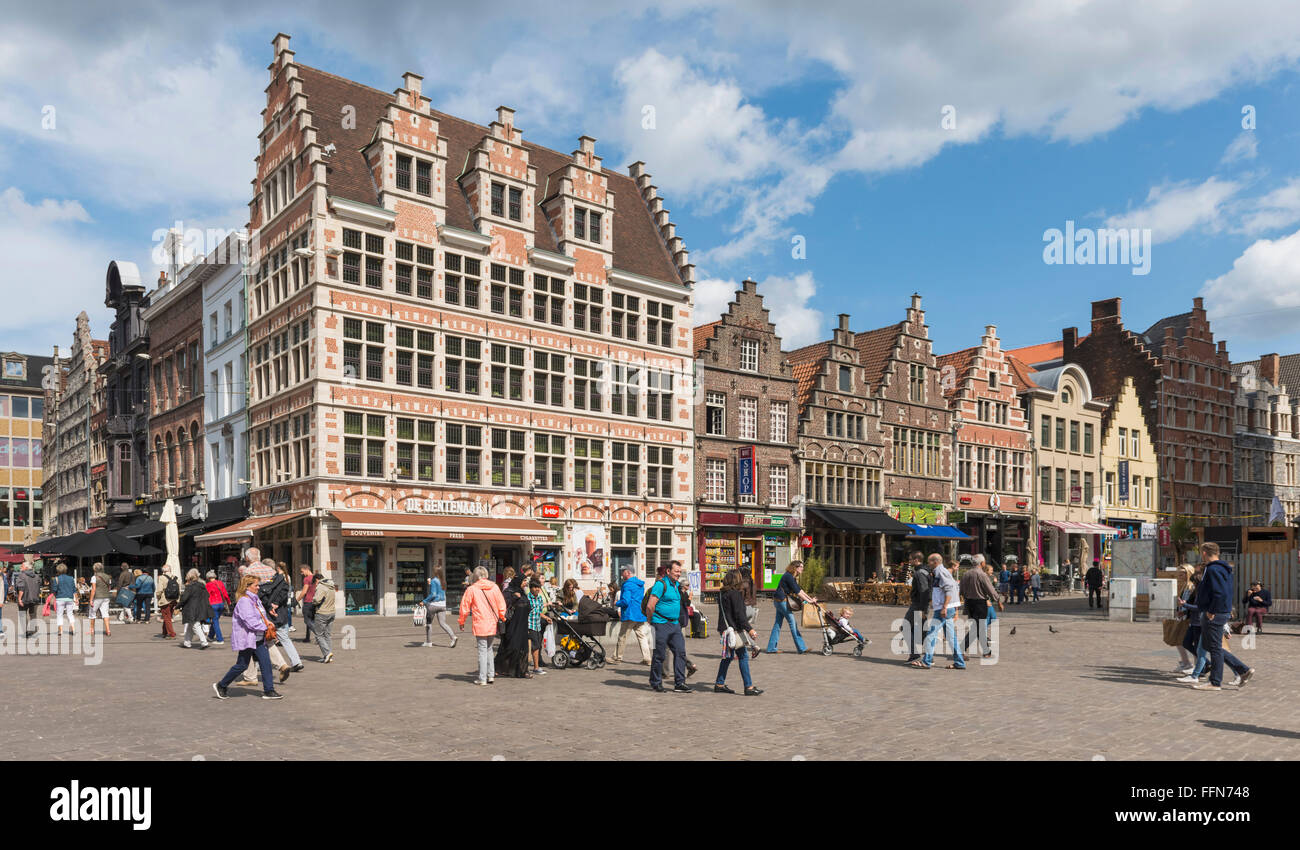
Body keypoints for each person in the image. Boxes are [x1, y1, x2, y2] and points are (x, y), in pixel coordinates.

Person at [1192, 543, 1254, 691]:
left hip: (1214, 613)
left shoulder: (1213, 569)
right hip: (1218, 611)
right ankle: (1242, 670)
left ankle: (1215, 682)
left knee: (1214, 648)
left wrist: (1211, 611)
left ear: (1204, 553)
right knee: (1211, 646)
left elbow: (1219, 592)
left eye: (1202, 553)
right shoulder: (1222, 568)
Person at [211, 575, 284, 700]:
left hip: (258, 638)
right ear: (247, 587)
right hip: (248, 638)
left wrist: (267, 622)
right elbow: (249, 620)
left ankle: (269, 690)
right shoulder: (244, 601)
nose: (258, 587)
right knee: (242, 665)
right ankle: (221, 685)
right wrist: (265, 627)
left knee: (265, 663)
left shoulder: (255, 599)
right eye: (255, 585)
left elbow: (261, 615)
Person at [913, 553, 965, 670]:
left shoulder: (941, 572)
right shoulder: (939, 572)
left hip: (944, 609)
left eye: (929, 562)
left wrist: (945, 607)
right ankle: (959, 662)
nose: (928, 564)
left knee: (932, 633)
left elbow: (950, 589)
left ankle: (926, 661)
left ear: (935, 562)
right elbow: (953, 587)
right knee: (951, 637)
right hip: (946, 608)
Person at [714, 569, 762, 695]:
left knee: (728, 657)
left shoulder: (722, 593)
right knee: (743, 656)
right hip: (733, 630)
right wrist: (749, 629)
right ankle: (748, 687)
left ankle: (719, 683)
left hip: (724, 628)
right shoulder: (735, 594)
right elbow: (740, 615)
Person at [646, 560, 690, 693]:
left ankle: (680, 683)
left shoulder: (677, 585)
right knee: (659, 655)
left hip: (675, 624)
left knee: (680, 652)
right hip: (660, 624)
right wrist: (651, 621)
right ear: (668, 571)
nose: (678, 574)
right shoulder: (661, 585)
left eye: (680, 571)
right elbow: (650, 605)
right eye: (676, 571)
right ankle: (656, 682)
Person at [459, 566, 507, 685]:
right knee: (489, 649)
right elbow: (501, 604)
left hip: (480, 622)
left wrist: (462, 620)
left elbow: (464, 606)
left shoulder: (472, 589)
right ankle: (490, 675)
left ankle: (482, 678)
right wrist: (502, 616)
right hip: (492, 622)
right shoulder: (494, 587)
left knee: (482, 650)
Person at [258, 558, 304, 672]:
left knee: (263, 642)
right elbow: (284, 595)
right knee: (285, 639)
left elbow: (262, 599)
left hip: (268, 617)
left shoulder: (261, 584)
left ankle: (261, 664)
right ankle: (297, 662)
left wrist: (271, 605)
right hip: (281, 615)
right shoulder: (283, 581)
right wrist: (276, 604)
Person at [765, 560, 815, 654]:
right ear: (795, 568)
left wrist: (810, 599)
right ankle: (801, 648)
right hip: (782, 602)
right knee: (792, 623)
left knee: (777, 624)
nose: (802, 569)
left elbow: (800, 590)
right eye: (801, 567)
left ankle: (771, 648)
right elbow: (798, 592)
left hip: (779, 601)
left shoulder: (790, 576)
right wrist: (809, 601)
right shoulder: (788, 576)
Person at [959, 554, 1000, 656]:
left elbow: (961, 590)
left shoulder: (966, 574)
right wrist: (998, 600)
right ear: (982, 563)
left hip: (969, 602)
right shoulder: (982, 574)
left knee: (977, 627)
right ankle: (961, 648)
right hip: (980, 603)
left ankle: (986, 651)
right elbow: (990, 589)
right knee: (977, 627)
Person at [494, 572, 533, 678]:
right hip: (512, 625)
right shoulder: (508, 592)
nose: (526, 583)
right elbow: (503, 606)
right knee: (510, 647)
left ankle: (522, 671)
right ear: (518, 581)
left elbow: (527, 606)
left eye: (526, 581)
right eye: (524, 581)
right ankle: (498, 668)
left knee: (523, 648)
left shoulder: (523, 592)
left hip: (523, 625)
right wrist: (514, 598)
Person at [612, 566, 652, 664]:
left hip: (630, 614)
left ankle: (617, 658)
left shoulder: (627, 585)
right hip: (639, 614)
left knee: (622, 636)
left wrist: (617, 603)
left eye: (622, 572)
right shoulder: (639, 584)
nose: (621, 574)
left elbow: (626, 601)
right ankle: (647, 658)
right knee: (641, 636)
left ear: (628, 572)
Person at [903, 551, 930, 663]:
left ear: (916, 559)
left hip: (918, 605)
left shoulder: (919, 573)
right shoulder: (926, 570)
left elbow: (924, 590)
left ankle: (915, 655)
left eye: (910, 559)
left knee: (906, 627)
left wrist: (923, 609)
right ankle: (927, 656)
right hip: (922, 605)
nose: (909, 562)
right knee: (920, 630)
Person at [178, 568, 212, 649]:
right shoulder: (202, 586)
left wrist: (178, 606)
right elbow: (207, 596)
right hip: (200, 608)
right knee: (191, 625)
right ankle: (187, 642)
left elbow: (184, 598)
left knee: (196, 625)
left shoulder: (190, 586)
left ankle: (204, 642)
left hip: (191, 609)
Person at [421, 573, 457, 648]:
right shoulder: (443, 581)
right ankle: (453, 637)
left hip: (434, 605)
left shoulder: (434, 581)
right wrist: (430, 584)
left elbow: (433, 594)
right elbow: (440, 591)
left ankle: (428, 642)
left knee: (428, 623)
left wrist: (424, 601)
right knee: (443, 623)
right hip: (442, 605)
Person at [310, 572, 337, 662]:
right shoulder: (331, 585)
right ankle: (328, 656)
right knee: (327, 635)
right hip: (332, 612)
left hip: (322, 613)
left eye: (315, 582)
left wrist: (313, 601)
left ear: (317, 580)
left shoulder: (321, 586)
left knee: (319, 635)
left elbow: (317, 600)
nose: (316, 584)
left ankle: (327, 653)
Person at [526, 578, 550, 675]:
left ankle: (536, 667)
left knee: (536, 646)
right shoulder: (527, 598)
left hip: (537, 625)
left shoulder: (539, 598)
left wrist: (546, 617)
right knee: (530, 647)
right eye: (535, 587)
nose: (537, 589)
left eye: (538, 587)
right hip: (529, 625)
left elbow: (538, 611)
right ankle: (530, 667)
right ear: (530, 588)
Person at [14, 561, 41, 638]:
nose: (20, 567)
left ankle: (25, 632)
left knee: (22, 615)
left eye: (21, 566)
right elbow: (39, 586)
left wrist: (19, 599)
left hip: (24, 599)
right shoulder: (37, 576)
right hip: (35, 599)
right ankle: (33, 629)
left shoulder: (21, 576)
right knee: (33, 615)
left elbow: (21, 588)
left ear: (26, 568)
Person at [50, 563, 78, 636]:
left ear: (58, 570)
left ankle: (60, 630)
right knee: (70, 614)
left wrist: (55, 596)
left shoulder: (56, 579)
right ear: (66, 570)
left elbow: (54, 590)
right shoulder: (71, 578)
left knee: (59, 615)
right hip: (69, 598)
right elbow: (74, 589)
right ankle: (73, 628)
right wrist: (76, 599)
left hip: (60, 598)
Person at [87, 562, 113, 639]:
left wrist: (91, 600)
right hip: (106, 597)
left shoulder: (94, 577)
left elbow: (93, 589)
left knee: (92, 613)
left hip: (97, 597)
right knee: (105, 613)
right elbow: (109, 588)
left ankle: (91, 630)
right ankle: (108, 630)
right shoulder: (108, 577)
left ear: (94, 569)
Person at [206, 571, 230, 644]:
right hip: (221, 604)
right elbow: (225, 593)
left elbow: (206, 595)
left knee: (215, 622)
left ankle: (220, 639)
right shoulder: (220, 583)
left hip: (213, 604)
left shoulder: (208, 585)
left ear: (208, 578)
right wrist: (228, 601)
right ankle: (210, 636)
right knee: (215, 620)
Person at [157, 566, 180, 638]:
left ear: (163, 571)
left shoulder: (161, 578)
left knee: (167, 617)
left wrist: (158, 597)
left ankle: (171, 634)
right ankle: (164, 632)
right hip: (174, 600)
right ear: (170, 570)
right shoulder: (176, 578)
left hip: (165, 600)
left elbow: (159, 590)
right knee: (168, 616)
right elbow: (178, 590)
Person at [296, 566, 316, 644]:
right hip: (315, 602)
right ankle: (307, 637)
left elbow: (304, 592)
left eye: (302, 571)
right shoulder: (316, 578)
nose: (302, 574)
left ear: (307, 569)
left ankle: (319, 636)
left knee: (307, 620)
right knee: (312, 620)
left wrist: (296, 600)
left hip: (308, 601)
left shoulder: (307, 579)